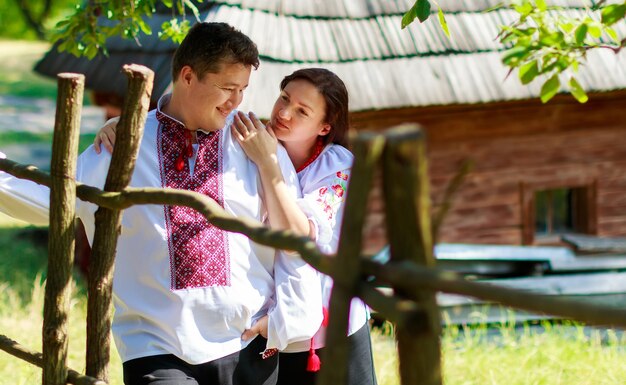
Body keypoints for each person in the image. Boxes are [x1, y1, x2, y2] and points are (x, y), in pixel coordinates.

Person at [0, 22, 322, 385]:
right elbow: (55, 201)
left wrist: (290, 317)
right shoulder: (125, 144)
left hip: (247, 342)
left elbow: (294, 240)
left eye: (243, 90)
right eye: (228, 88)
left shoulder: (254, 143)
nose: (236, 102)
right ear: (188, 76)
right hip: (156, 346)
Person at [95, 68, 377, 385]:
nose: (284, 113)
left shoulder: (337, 165)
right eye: (284, 98)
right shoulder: (259, 139)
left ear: (325, 126)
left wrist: (268, 163)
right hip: (278, 332)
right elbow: (183, 118)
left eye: (302, 111)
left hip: (332, 329)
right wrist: (121, 124)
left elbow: (295, 238)